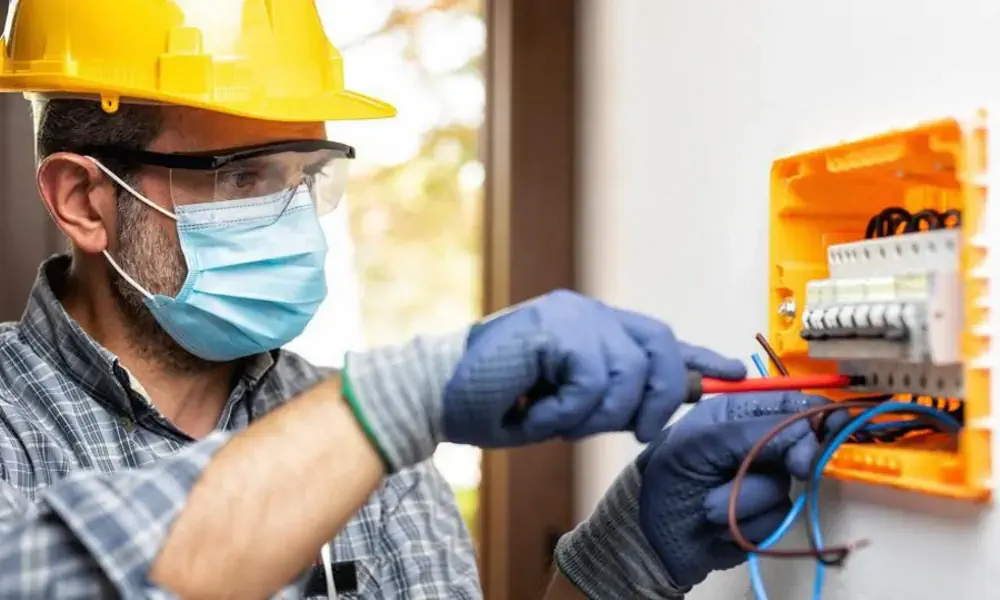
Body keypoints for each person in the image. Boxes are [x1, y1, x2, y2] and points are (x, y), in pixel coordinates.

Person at [0, 2, 830, 598]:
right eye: (247, 177)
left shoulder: (372, 456)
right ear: (84, 200)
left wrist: (620, 566)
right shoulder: (367, 426)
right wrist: (396, 404)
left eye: (307, 178)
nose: (297, 222)